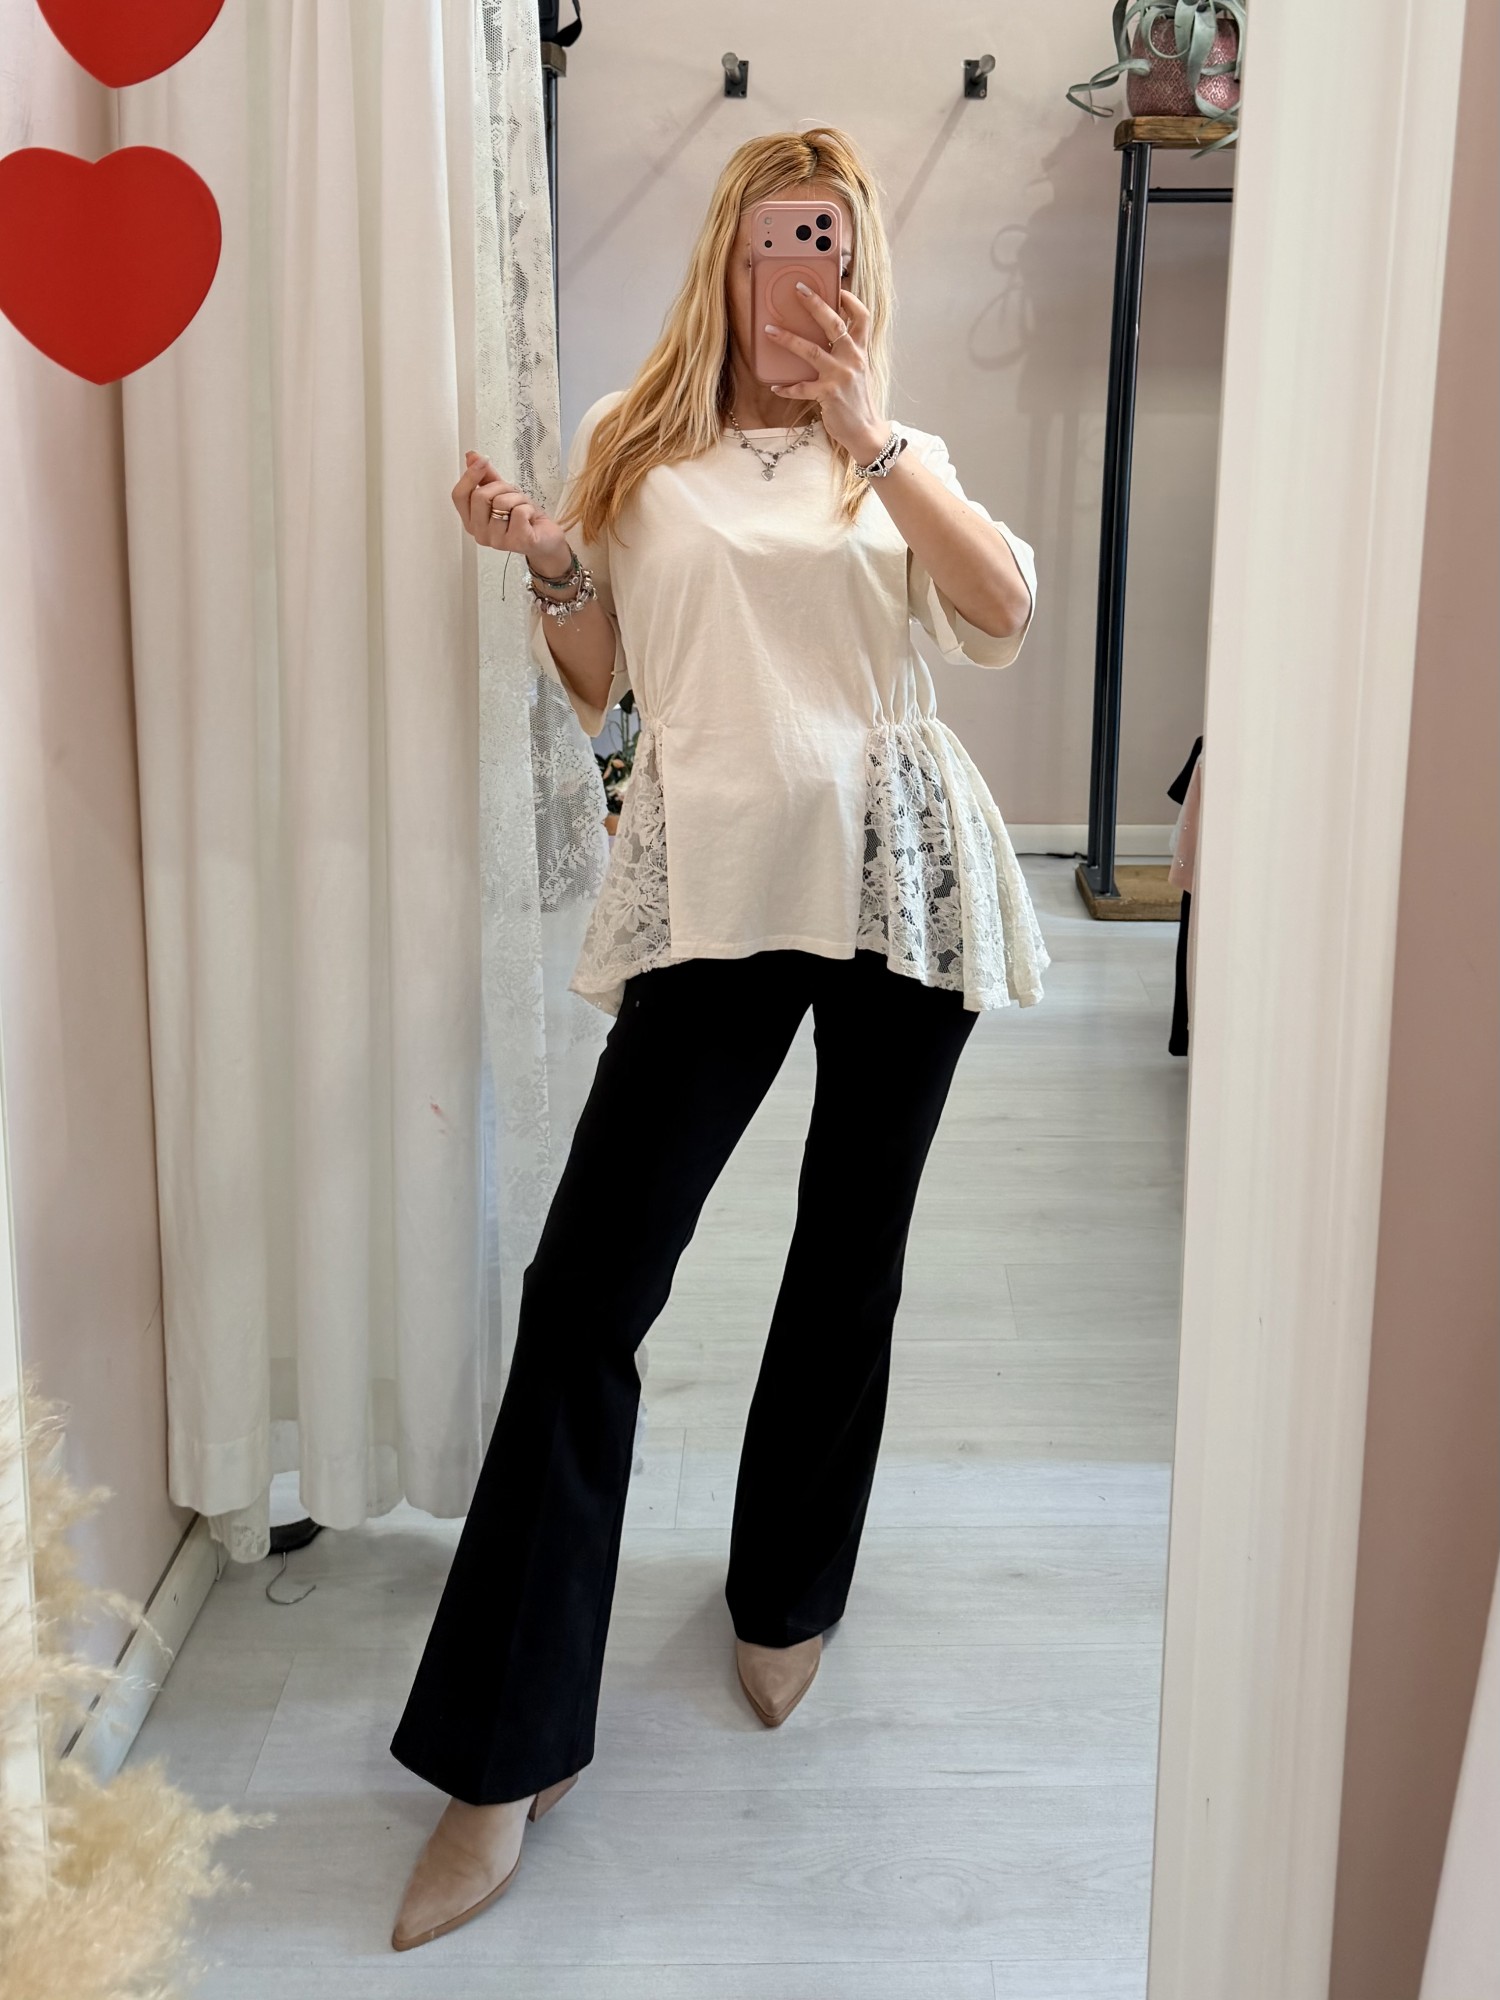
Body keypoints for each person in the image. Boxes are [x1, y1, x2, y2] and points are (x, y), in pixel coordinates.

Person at [387, 125, 1046, 1952]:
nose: (793, 273)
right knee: (586, 1296)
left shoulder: (893, 455)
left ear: (858, 266)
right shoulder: (638, 444)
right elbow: (610, 683)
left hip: (898, 881)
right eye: (768, 240)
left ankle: (787, 1592)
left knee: (850, 1250)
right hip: (715, 887)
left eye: (823, 240)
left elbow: (1000, 612)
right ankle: (506, 1752)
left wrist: (872, 438)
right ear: (722, 260)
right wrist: (548, 559)